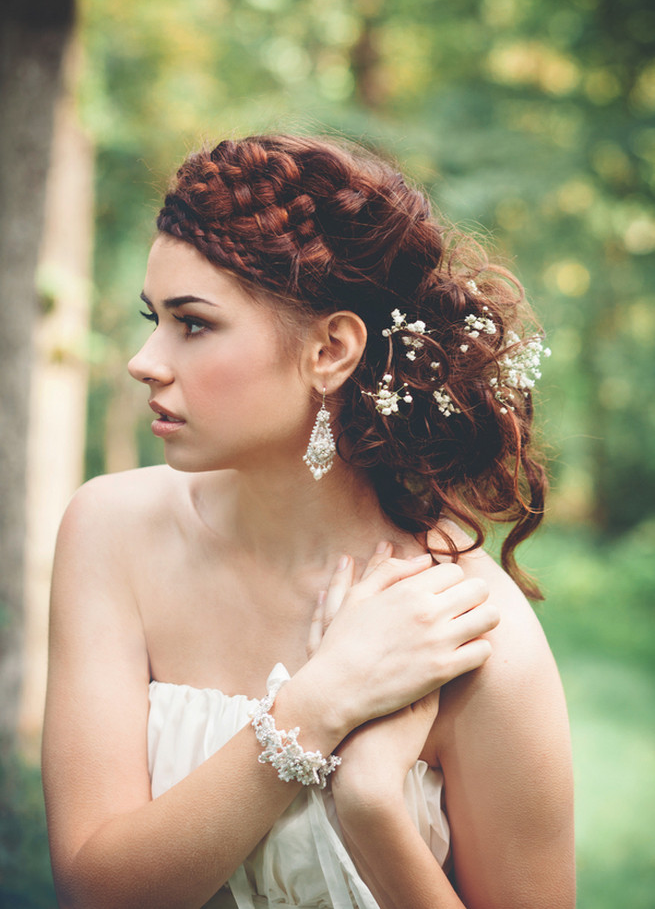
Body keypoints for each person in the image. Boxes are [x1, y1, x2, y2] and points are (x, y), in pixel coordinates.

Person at [42, 134, 575, 909]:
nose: (144, 359)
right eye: (151, 317)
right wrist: (312, 713)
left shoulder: (465, 633)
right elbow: (92, 892)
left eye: (192, 323)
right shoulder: (110, 532)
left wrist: (369, 805)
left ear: (330, 349)